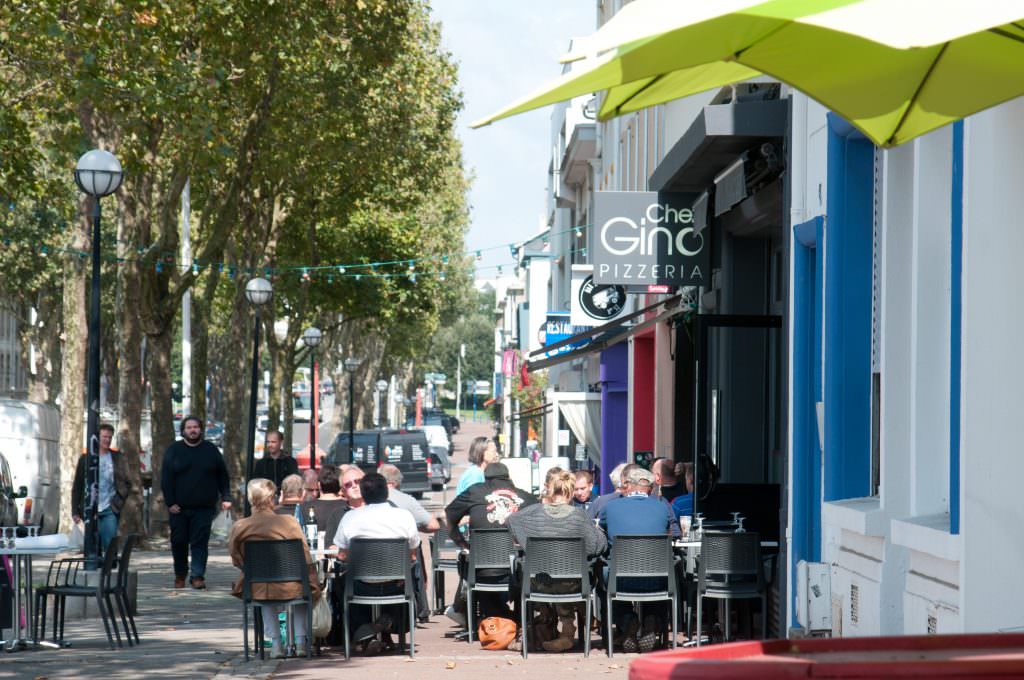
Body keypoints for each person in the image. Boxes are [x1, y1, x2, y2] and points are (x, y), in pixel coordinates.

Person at [507, 469, 607, 653]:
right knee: (577, 574)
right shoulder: (579, 516)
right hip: (573, 584)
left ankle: (559, 629)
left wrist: (526, 542)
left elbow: (512, 520)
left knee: (551, 576)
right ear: (570, 492)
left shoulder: (534, 512)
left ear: (551, 490)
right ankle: (569, 631)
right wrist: (597, 531)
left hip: (538, 583)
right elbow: (595, 548)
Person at [228, 478, 320, 659]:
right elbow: (305, 555)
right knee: (303, 589)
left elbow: (236, 558)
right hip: (292, 584)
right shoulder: (289, 522)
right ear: (271, 499)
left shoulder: (240, 526)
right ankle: (301, 642)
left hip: (257, 584)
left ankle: (276, 644)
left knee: (264, 593)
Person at [332, 473, 420, 655]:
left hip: (361, 586)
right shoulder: (404, 516)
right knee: (409, 574)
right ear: (387, 491)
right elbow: (412, 554)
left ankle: (366, 629)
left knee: (339, 580)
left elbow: (341, 555)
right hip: (396, 585)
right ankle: (387, 623)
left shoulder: (350, 518)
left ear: (363, 494)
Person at [443, 462, 537, 626]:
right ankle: (520, 620)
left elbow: (449, 515)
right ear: (508, 478)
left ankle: (468, 610)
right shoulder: (527, 498)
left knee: (468, 564)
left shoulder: (474, 491)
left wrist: (461, 542)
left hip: (482, 570)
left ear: (485, 478)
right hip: (517, 571)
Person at [599, 466, 674, 651]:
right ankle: (653, 619)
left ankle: (627, 621)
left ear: (628, 486)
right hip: (657, 579)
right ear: (649, 488)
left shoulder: (611, 507)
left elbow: (601, 531)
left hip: (621, 579)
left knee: (603, 577)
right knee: (662, 573)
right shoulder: (662, 507)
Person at [161, 415, 232, 590]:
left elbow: (223, 475)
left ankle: (197, 576)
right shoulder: (174, 450)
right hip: (179, 508)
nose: (192, 430)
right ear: (183, 431)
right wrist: (170, 503)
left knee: (200, 542)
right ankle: (180, 574)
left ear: (200, 429)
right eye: (189, 427)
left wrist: (226, 497)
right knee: (179, 542)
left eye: (195, 427)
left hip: (204, 507)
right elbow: (166, 478)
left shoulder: (211, 450)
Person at [71, 423, 136, 554]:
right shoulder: (85, 459)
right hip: (90, 508)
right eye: (104, 437)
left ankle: (110, 568)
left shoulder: (118, 457)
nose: (107, 440)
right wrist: (75, 510)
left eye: (109, 437)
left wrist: (118, 501)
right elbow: (77, 486)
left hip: (110, 508)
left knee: (109, 542)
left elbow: (128, 483)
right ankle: (96, 569)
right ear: (97, 438)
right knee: (94, 543)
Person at [589, 463, 680, 537]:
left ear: (628, 485)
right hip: (656, 558)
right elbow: (675, 533)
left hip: (619, 559)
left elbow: (596, 533)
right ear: (651, 489)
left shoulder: (609, 506)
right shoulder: (662, 506)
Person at [379, 464, 440, 533]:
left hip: (371, 543)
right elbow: (434, 525)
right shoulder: (407, 500)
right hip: (400, 542)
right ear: (395, 483)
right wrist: (414, 526)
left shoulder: (367, 499)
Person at [301, 464, 349, 546]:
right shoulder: (348, 508)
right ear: (340, 485)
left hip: (314, 554)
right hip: (339, 554)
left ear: (319, 485)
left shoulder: (304, 507)